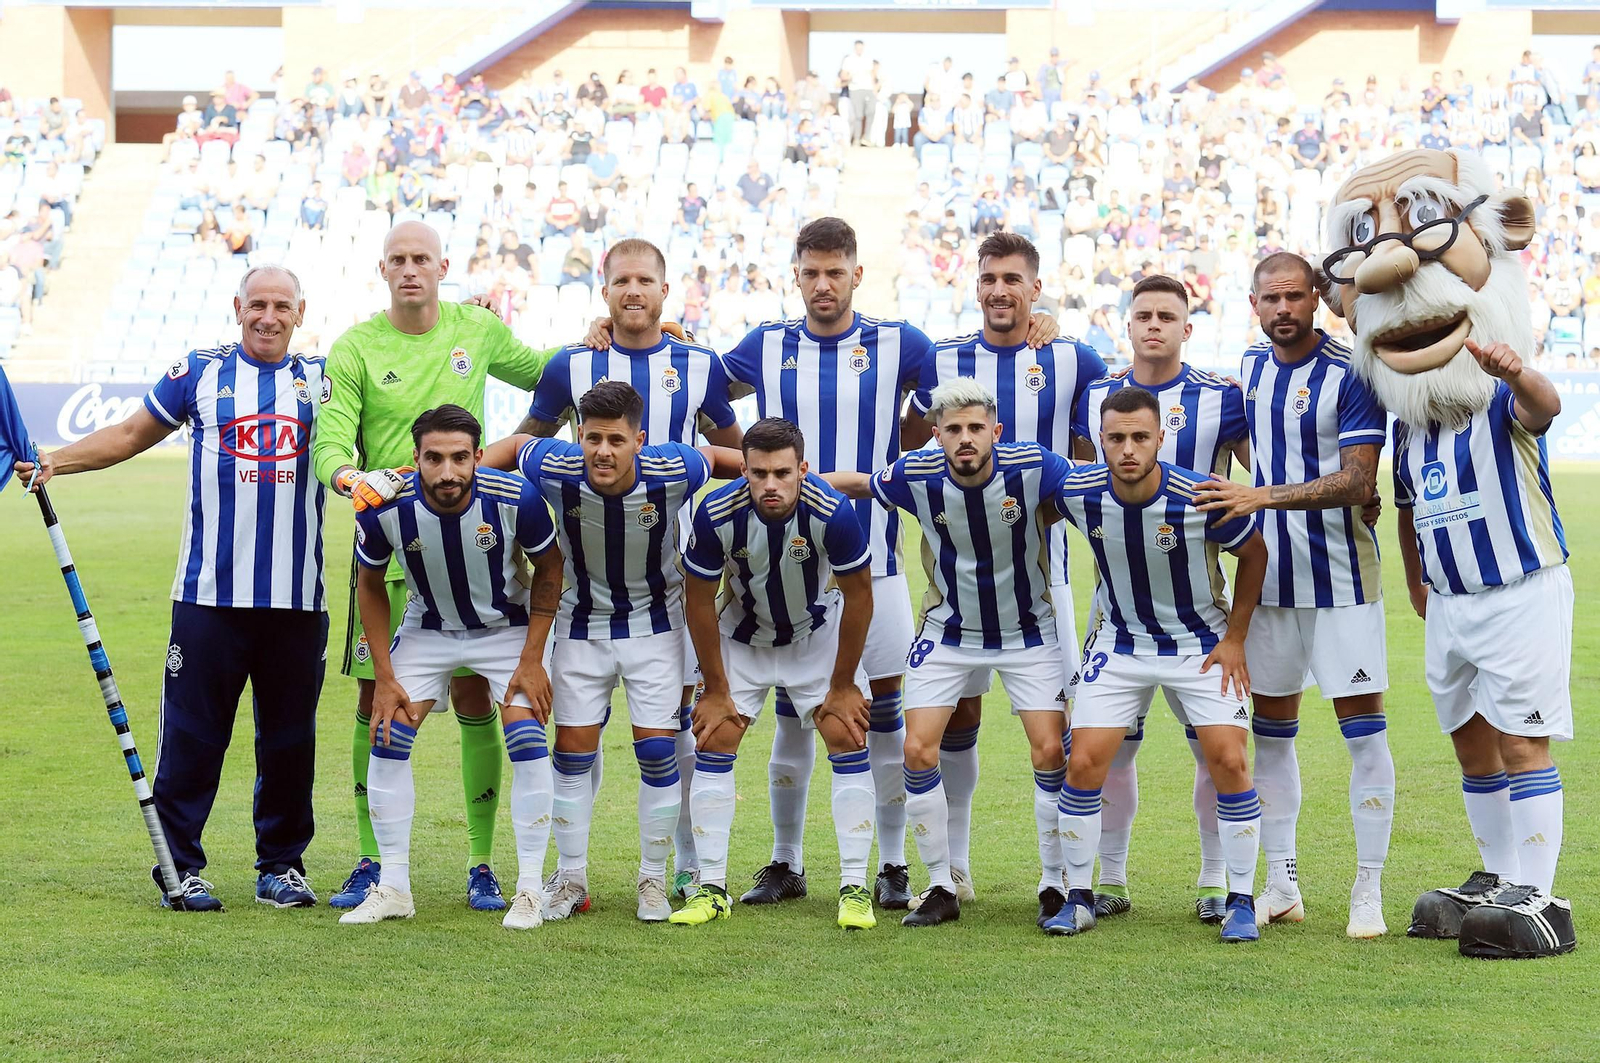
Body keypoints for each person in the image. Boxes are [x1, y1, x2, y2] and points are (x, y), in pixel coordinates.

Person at [15, 267, 328, 912]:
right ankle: (179, 863)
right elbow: (131, 435)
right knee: (192, 735)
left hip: (298, 599)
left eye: (281, 307)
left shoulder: (324, 380)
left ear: (300, 314)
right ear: (237, 308)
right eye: (257, 305)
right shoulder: (199, 372)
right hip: (207, 596)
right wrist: (55, 461)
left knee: (290, 739)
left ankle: (282, 866)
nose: (267, 317)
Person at [312, 221, 562, 914]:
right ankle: (374, 860)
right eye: (398, 259)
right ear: (382, 268)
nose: (411, 269)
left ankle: (482, 863)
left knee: (480, 698)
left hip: (473, 542)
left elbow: (548, 371)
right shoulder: (356, 345)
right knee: (378, 702)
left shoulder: (474, 328)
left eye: (422, 258)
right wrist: (350, 480)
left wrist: (594, 340)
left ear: (443, 265)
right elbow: (331, 442)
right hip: (394, 538)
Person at [522, 238, 743, 900]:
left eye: (646, 279)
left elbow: (734, 452)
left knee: (669, 736)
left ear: (665, 290)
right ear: (605, 289)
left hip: (665, 583)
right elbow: (528, 436)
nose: (634, 290)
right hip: (584, 587)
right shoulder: (573, 362)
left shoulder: (697, 363)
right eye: (622, 280)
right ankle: (572, 874)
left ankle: (675, 864)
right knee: (576, 741)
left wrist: (725, 536)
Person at [899, 232, 1106, 915]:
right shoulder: (942, 356)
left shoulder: (1071, 353)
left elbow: (1093, 446)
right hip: (955, 583)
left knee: (1055, 743)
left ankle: (1065, 877)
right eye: (989, 277)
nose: (999, 289)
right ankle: (947, 874)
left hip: (1043, 574)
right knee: (949, 726)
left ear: (1034, 288)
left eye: (1013, 278)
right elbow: (900, 442)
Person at [1193, 252, 1395, 939]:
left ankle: (1367, 890)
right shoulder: (1247, 370)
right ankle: (1282, 881)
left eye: (1294, 297)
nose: (1283, 309)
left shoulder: (1353, 371)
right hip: (1269, 587)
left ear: (1317, 299)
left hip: (1342, 585)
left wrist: (1264, 494)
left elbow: (1359, 480)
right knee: (1272, 735)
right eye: (1270, 298)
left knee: (1363, 732)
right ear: (1254, 305)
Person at [486, 382, 739, 922]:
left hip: (656, 625)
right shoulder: (555, 465)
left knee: (657, 753)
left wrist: (771, 471)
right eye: (592, 438)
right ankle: (571, 877)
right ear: (578, 435)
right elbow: (512, 448)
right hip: (580, 625)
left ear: (639, 440)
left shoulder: (673, 470)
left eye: (616, 440)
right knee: (573, 754)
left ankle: (651, 879)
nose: (602, 451)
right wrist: (474, 468)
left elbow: (716, 456)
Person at [825, 379, 1072, 929]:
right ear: (936, 435)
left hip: (1028, 632)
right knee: (917, 750)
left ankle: (1055, 883)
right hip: (948, 632)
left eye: (975, 428)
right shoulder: (917, 472)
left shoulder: (1035, 466)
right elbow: (863, 484)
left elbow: (1093, 490)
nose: (965, 439)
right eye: (953, 429)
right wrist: (801, 480)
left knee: (1049, 750)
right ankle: (941, 883)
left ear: (996, 432)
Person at [1046, 385, 1269, 942]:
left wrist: (1237, 637)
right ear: (1098, 441)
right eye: (1116, 438)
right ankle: (1079, 897)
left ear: (1160, 439)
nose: (1127, 449)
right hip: (1120, 645)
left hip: (1200, 644)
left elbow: (1256, 552)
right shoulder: (1079, 491)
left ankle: (1239, 899)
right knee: (1083, 764)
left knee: (1230, 762)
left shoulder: (1200, 496)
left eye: (1139, 437)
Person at [338, 406, 564, 928]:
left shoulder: (516, 499)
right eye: (434, 459)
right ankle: (393, 886)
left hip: (506, 630)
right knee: (388, 734)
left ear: (478, 457)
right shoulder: (384, 509)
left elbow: (550, 568)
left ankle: (530, 888)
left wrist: (532, 659)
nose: (447, 472)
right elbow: (370, 585)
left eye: (460, 458)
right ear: (415, 459)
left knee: (526, 738)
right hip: (428, 627)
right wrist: (386, 679)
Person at [1068, 273, 1250, 923]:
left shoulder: (1222, 399)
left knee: (1214, 749)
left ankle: (1213, 878)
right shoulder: (1095, 395)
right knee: (1113, 747)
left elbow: (1260, 477)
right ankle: (1109, 877)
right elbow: (1079, 477)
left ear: (1186, 327)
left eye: (1166, 315)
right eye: (1142, 313)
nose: (1153, 324)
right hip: (1116, 606)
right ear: (1127, 323)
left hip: (1199, 601)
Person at [676, 418, 877, 929]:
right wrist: (717, 689)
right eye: (759, 473)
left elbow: (859, 598)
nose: (770, 484)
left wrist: (843, 684)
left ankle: (854, 888)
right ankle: (712, 888)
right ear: (741, 470)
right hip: (743, 638)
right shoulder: (716, 513)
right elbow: (697, 601)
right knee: (714, 738)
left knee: (846, 732)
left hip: (813, 634)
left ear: (802, 470)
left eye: (782, 473)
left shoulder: (833, 511)